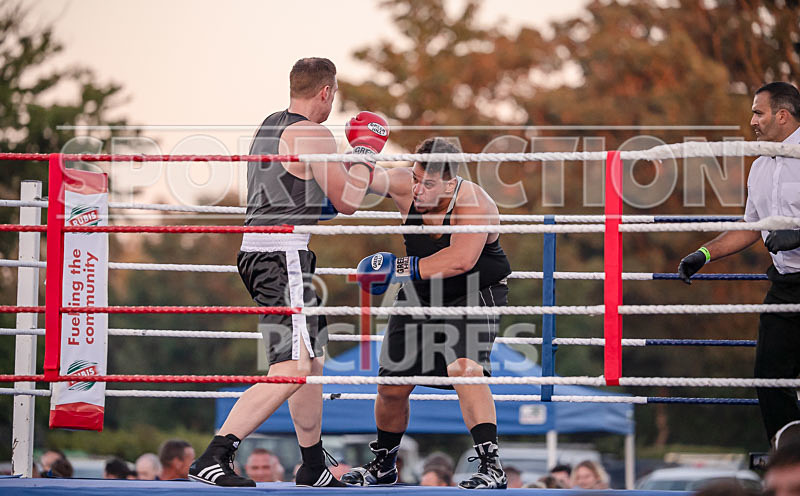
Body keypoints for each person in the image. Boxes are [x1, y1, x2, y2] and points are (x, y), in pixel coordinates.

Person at [189, 57, 387, 488]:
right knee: (292, 369)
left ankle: (313, 464)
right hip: (282, 255)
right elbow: (348, 201)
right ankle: (216, 453)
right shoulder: (315, 134)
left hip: (272, 252)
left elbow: (317, 204)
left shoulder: (269, 127)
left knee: (311, 364)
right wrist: (366, 154)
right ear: (326, 93)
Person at [342, 138, 512, 489]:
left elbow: (459, 260)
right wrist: (362, 150)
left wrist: (398, 266)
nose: (418, 188)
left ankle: (491, 466)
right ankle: (384, 464)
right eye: (417, 177)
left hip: (474, 289)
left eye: (428, 183)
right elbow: (360, 182)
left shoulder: (474, 203)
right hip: (421, 292)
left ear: (451, 182)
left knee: (464, 368)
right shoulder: (407, 184)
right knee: (391, 384)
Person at [677, 82, 800, 446]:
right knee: (768, 377)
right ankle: (788, 460)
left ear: (782, 114)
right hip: (786, 285)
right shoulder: (761, 165)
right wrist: (705, 253)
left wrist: (796, 235)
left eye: (758, 112)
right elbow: (750, 226)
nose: (752, 121)